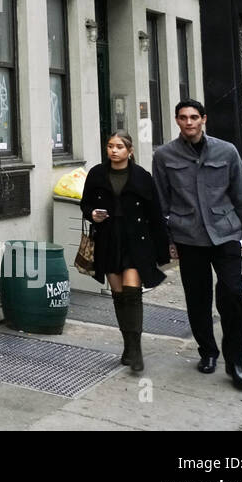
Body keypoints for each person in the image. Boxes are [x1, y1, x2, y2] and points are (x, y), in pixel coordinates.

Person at [152, 99, 242, 390]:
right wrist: (168, 242)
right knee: (197, 299)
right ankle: (208, 352)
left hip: (225, 234)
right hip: (188, 237)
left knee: (233, 294)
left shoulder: (226, 151)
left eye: (194, 117)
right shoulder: (164, 155)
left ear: (204, 119)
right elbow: (161, 202)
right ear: (177, 121)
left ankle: (235, 360)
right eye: (183, 118)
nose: (189, 122)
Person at [79, 130, 170, 372]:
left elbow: (155, 214)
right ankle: (128, 346)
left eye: (119, 146)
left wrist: (164, 249)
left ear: (130, 151)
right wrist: (92, 214)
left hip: (136, 240)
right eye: (110, 146)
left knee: (132, 291)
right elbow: (85, 203)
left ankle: (136, 349)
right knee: (118, 294)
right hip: (109, 238)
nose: (114, 150)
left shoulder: (141, 176)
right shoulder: (97, 173)